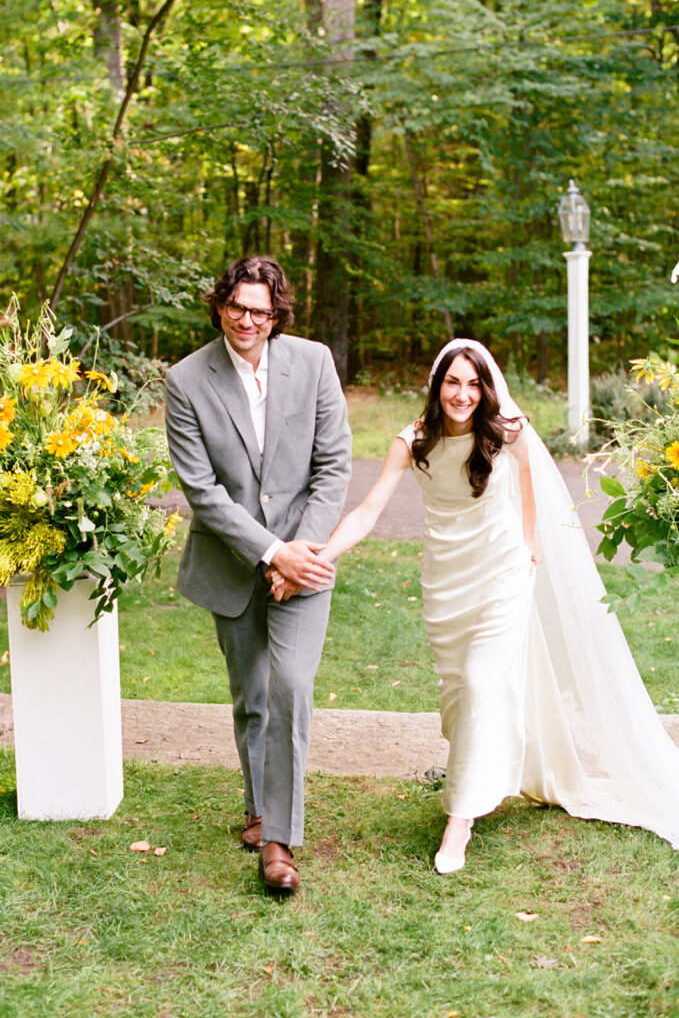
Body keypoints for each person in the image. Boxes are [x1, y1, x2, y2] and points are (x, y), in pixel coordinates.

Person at [274, 338, 679, 872]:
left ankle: (459, 822)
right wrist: (318, 556)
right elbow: (368, 511)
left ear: (486, 389)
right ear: (437, 385)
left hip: (503, 572)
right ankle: (488, 770)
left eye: (472, 383)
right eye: (452, 382)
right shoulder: (412, 441)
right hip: (446, 582)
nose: (462, 395)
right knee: (463, 694)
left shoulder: (507, 434)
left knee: (484, 680)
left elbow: (530, 481)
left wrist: (530, 539)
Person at [165, 256, 351, 892]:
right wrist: (272, 552)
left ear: (278, 316)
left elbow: (334, 467)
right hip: (232, 561)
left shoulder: (315, 362)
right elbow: (203, 490)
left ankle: (279, 842)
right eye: (237, 307)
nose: (247, 320)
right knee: (251, 698)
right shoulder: (186, 380)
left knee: (290, 687)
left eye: (260, 312)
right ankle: (257, 807)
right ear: (221, 305)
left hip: (308, 558)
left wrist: (299, 554)